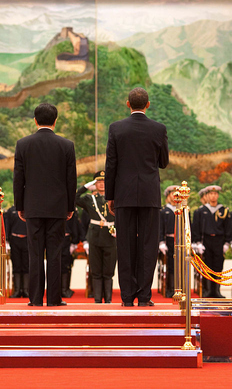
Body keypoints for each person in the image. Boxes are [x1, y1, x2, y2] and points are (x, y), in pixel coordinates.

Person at [105, 87, 169, 307]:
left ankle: (126, 298)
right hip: (150, 195)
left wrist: (110, 196)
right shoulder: (159, 129)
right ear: (148, 104)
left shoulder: (116, 128)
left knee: (125, 246)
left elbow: (111, 165)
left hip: (123, 194)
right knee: (148, 246)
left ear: (127, 103)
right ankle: (144, 297)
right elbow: (163, 162)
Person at [13, 102, 77, 307]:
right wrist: (70, 207)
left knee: (35, 254)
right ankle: (54, 299)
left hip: (32, 207)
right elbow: (71, 180)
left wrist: (20, 206)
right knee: (55, 254)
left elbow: (18, 179)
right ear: (55, 121)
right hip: (58, 208)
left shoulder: (23, 144)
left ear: (35, 120)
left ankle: (35, 299)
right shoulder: (66, 145)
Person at [76, 170, 117, 303]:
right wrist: (85, 187)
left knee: (109, 272)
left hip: (111, 237)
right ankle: (98, 300)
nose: (102, 184)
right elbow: (73, 197)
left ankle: (109, 301)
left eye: (104, 182)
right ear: (94, 184)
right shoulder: (89, 199)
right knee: (96, 271)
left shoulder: (115, 198)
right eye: (98, 182)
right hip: (94, 237)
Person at [192, 185, 230, 298]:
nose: (213, 196)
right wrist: (197, 242)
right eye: (211, 194)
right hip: (206, 240)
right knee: (207, 265)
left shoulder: (223, 210)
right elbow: (196, 227)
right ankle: (208, 290)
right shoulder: (201, 211)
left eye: (215, 194)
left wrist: (227, 242)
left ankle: (217, 290)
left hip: (219, 240)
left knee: (218, 266)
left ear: (218, 195)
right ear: (207, 196)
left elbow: (228, 227)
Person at [5, 203, 28, 298]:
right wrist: (6, 241)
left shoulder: (30, 208)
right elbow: (7, 226)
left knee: (27, 265)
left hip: (27, 239)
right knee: (16, 265)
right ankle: (17, 290)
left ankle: (26, 290)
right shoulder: (11, 211)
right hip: (15, 239)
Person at [158, 185, 178, 298]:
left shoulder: (183, 211)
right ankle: (170, 289)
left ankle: (179, 288)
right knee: (170, 265)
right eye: (173, 194)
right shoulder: (164, 211)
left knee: (180, 265)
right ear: (168, 196)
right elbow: (160, 227)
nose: (175, 197)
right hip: (168, 240)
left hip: (180, 241)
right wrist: (161, 241)